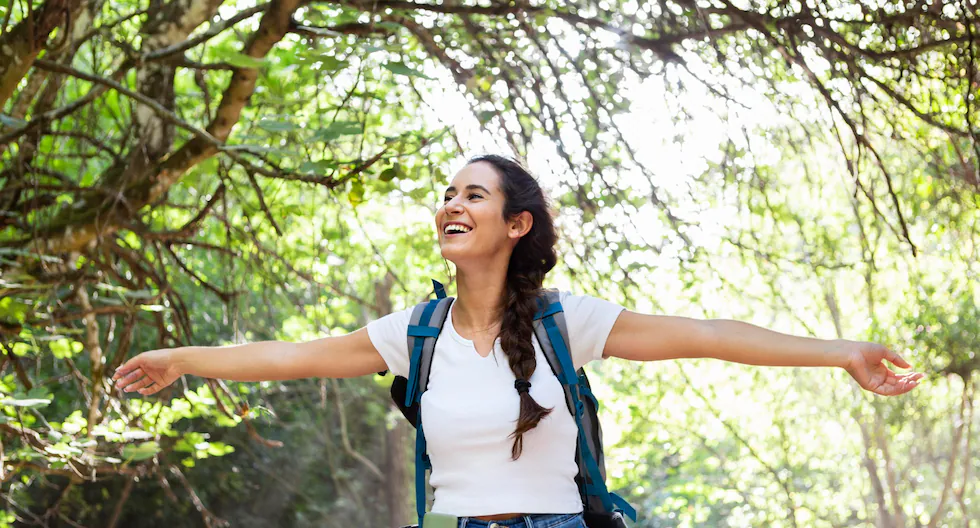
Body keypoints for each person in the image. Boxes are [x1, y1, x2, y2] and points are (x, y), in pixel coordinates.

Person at [111, 154, 924, 528]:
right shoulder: (416, 333)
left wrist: (843, 350)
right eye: (446, 195)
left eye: (473, 194)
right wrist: (181, 359)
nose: (450, 205)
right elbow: (290, 356)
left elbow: (709, 335)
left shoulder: (565, 323)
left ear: (516, 222)